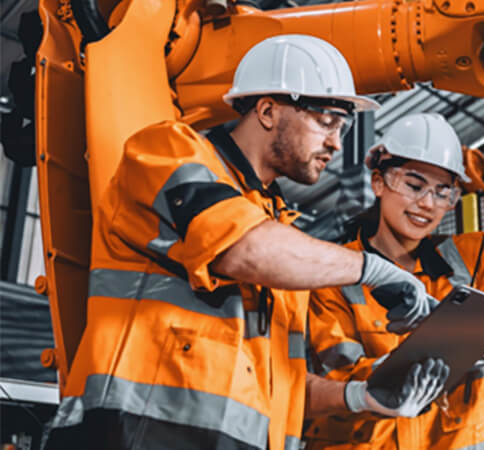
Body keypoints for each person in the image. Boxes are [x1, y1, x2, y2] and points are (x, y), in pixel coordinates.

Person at [42, 35, 449, 450]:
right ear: (268, 111)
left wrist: (361, 394)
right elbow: (244, 248)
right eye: (326, 121)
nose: (336, 144)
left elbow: (282, 388)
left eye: (341, 128)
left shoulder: (280, 237)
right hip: (134, 436)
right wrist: (373, 268)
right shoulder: (168, 152)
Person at [305, 111, 484, 449]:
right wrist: (400, 370)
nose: (426, 204)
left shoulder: (477, 261)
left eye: (442, 192)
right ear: (379, 183)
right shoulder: (336, 276)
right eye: (414, 185)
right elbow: (339, 381)